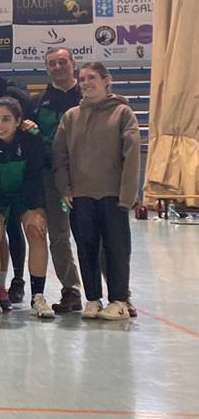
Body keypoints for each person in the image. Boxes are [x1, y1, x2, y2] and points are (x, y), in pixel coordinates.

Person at [54, 62, 140, 321]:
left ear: (106, 81)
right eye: (82, 78)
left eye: (92, 77)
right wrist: (65, 187)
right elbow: (60, 156)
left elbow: (132, 154)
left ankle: (119, 299)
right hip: (81, 196)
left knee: (116, 249)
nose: (86, 82)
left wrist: (127, 195)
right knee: (86, 248)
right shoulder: (70, 117)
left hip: (113, 196)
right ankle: (93, 299)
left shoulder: (123, 113)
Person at [0, 97, 53, 318]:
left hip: (25, 192)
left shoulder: (31, 137)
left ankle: (38, 296)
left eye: (6, 119)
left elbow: (34, 176)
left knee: (36, 231)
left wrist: (34, 211)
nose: (0, 125)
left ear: (19, 121)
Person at [32, 47, 84, 313]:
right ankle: (71, 290)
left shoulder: (88, 95)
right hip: (52, 177)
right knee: (59, 235)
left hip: (88, 176)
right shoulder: (40, 101)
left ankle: (116, 293)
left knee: (94, 235)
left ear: (73, 64)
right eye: (52, 63)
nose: (57, 67)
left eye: (62, 62)